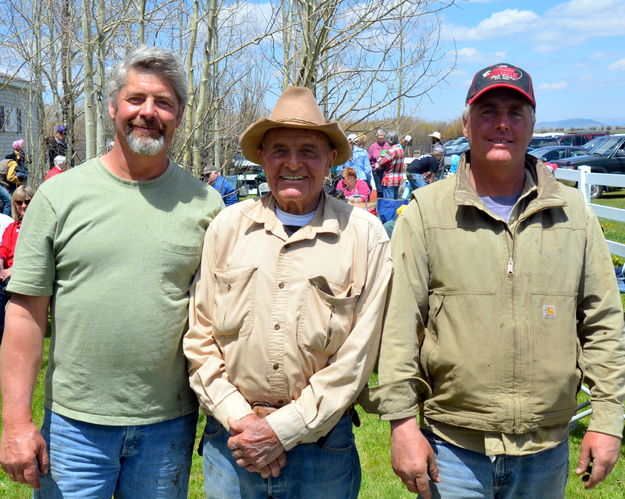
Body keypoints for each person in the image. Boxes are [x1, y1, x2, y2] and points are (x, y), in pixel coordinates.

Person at [372, 62, 625, 498]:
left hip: (545, 449)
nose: (502, 124)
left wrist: (607, 420)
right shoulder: (426, 214)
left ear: (532, 122)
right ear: (467, 123)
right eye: (488, 112)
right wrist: (401, 425)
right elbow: (398, 327)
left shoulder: (574, 214)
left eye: (515, 111)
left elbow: (603, 323)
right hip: (452, 451)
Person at [0, 45, 223, 497]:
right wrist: (17, 422)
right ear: (111, 107)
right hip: (74, 428)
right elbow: (25, 314)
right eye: (136, 99)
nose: (148, 112)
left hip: (168, 424)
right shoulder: (59, 198)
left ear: (178, 114)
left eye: (163, 102)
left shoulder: (206, 206)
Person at [184, 86, 392, 499]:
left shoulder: (364, 235)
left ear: (331, 158)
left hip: (321, 449)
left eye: (309, 151)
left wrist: (282, 431)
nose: (293, 163)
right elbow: (199, 338)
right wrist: (242, 420)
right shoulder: (227, 228)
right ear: (261, 156)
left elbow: (358, 356)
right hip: (233, 444)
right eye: (279, 149)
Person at [0, 185, 35, 341]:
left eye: (28, 202)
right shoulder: (11, 227)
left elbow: (34, 254)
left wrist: (13, 269)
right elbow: (3, 250)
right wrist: (1, 266)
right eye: (19, 202)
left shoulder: (37, 228)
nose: (23, 206)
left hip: (25, 272)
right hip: (7, 274)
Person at [375, 130, 404, 199]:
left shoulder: (390, 152)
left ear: (389, 140)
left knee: (389, 202)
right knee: (395, 200)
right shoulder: (401, 150)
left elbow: (378, 165)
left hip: (389, 180)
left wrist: (381, 156)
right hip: (398, 179)